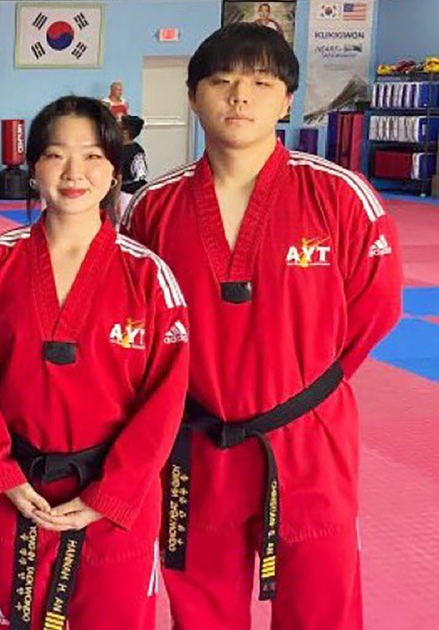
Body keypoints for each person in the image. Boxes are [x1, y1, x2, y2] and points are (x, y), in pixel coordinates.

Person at [121, 23, 402, 629]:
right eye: (221, 81)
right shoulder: (152, 209)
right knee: (202, 607)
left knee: (321, 602)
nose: (239, 96)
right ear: (194, 97)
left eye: (260, 83)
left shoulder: (339, 196)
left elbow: (376, 308)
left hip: (308, 439)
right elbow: (133, 328)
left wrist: (304, 386)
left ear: (287, 100)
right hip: (194, 445)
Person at [0, 96, 189, 630]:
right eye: (56, 155)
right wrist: (0, 474)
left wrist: (111, 494)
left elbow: (166, 400)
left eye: (92, 156)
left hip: (116, 501)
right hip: (21, 495)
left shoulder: (149, 276)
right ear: (33, 166)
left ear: (114, 171)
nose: (73, 173)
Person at [120, 115, 149, 207]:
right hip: (138, 190)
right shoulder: (137, 147)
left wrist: (114, 199)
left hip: (124, 193)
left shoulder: (122, 152)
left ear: (125, 132)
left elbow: (119, 176)